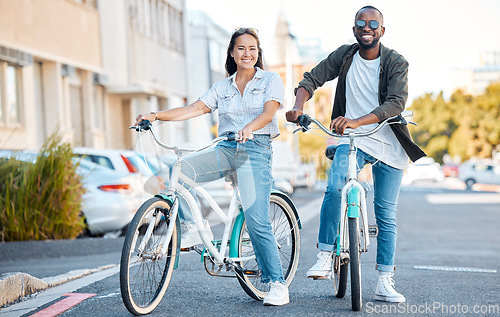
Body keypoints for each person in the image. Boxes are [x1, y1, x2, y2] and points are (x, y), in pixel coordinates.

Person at [135, 28, 289, 306]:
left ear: (258, 53)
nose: (247, 54)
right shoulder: (222, 87)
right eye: (241, 48)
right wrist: (155, 115)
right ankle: (194, 225)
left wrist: (248, 128)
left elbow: (269, 112)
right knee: (177, 173)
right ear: (232, 52)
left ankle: (276, 282)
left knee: (256, 220)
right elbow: (193, 108)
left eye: (252, 48)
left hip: (255, 150)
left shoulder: (270, 79)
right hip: (226, 149)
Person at [286, 6, 425, 303]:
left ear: (382, 31)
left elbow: (396, 103)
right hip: (353, 140)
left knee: (386, 215)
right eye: (361, 23)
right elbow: (311, 79)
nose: (367, 27)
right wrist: (298, 106)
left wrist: (356, 120)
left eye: (373, 24)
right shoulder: (346, 55)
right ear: (354, 30)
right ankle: (325, 254)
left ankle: (384, 281)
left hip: (389, 141)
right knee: (335, 186)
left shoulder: (396, 62)